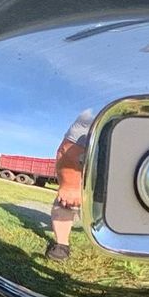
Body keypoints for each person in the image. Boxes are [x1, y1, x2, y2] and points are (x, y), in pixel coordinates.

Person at [43, 108, 96, 262]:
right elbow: (67, 149)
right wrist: (70, 186)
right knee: (67, 201)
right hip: (89, 159)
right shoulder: (93, 113)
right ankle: (62, 244)